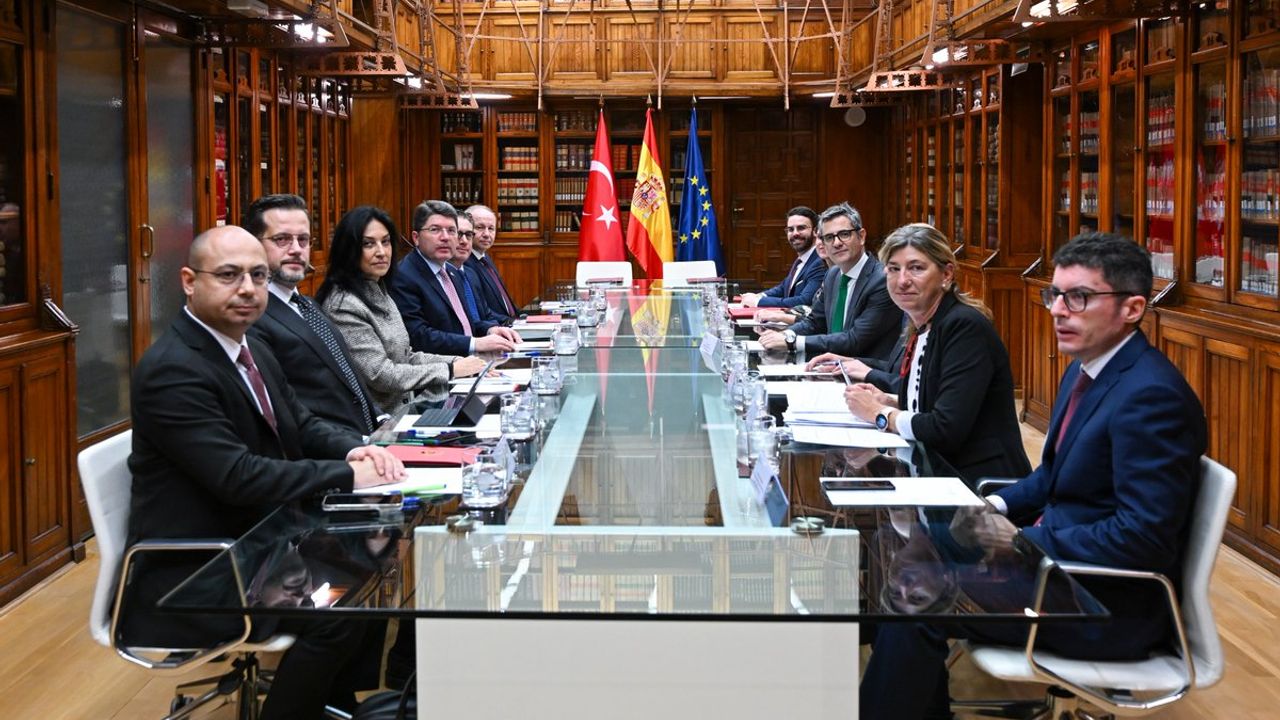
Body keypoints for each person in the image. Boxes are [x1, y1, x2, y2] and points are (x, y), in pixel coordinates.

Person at [859, 232, 1207, 720]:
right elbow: (1052, 479)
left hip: (1104, 605)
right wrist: (994, 507)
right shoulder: (1087, 370)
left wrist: (1024, 542)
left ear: (1132, 308)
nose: (1058, 310)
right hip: (1060, 575)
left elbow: (1142, 538)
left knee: (913, 600)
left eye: (1079, 297)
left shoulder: (1151, 396)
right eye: (1055, 295)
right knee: (900, 564)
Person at [124, 225, 405, 719]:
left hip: (259, 538)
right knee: (338, 611)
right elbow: (239, 477)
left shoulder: (248, 346)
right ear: (189, 281)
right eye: (228, 275)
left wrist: (357, 451)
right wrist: (345, 477)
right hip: (198, 568)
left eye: (257, 275)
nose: (248, 289)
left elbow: (302, 422)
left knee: (373, 565)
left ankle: (332, 702)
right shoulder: (174, 369)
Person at [843, 223, 1029, 485]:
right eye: (894, 269)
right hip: (935, 473)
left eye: (916, 268)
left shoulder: (964, 326)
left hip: (978, 486)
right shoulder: (922, 324)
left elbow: (945, 428)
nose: (902, 280)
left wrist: (879, 414)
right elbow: (936, 401)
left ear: (946, 274)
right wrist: (892, 400)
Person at [318, 205, 487, 413]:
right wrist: (450, 369)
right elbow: (381, 375)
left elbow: (406, 356)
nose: (381, 252)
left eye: (385, 242)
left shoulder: (378, 289)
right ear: (349, 249)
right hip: (383, 422)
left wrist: (459, 361)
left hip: (408, 409)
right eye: (368, 244)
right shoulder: (344, 305)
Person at [243, 194, 383, 436]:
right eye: (282, 239)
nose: (296, 250)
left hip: (370, 438)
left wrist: (381, 419)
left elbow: (346, 378)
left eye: (303, 240)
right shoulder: (253, 318)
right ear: (254, 246)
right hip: (331, 449)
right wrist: (356, 446)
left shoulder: (308, 304)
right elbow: (286, 412)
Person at [759, 202, 901, 358]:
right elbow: (815, 322)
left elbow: (855, 340)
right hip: (829, 364)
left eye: (844, 234)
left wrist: (792, 341)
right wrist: (785, 334)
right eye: (829, 237)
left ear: (861, 236)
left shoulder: (881, 280)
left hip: (863, 367)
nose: (837, 243)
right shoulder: (832, 275)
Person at [389, 200, 520, 357]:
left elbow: (462, 323)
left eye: (451, 231)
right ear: (416, 238)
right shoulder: (403, 276)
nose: (445, 237)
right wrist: (474, 343)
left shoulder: (452, 272)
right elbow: (417, 336)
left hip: (471, 361)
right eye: (435, 230)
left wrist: (489, 330)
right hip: (441, 366)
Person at [739, 206, 825, 309]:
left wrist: (758, 302)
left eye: (801, 228)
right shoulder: (801, 260)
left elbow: (805, 301)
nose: (795, 233)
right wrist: (759, 296)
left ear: (815, 231)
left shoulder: (819, 262)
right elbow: (784, 287)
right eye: (790, 229)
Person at [464, 203, 520, 320]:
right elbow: (480, 310)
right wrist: (511, 322)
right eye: (480, 227)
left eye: (491, 228)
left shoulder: (485, 257)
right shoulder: (464, 263)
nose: (486, 234)